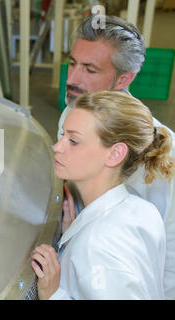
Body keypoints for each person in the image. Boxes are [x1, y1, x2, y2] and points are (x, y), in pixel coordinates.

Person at [57, 14, 175, 299]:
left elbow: (168, 250)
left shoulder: (158, 151)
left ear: (124, 78)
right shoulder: (74, 112)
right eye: (72, 63)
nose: (72, 79)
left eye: (90, 69)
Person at [31, 91, 174, 299]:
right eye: (63, 135)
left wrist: (52, 294)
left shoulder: (98, 246)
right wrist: (76, 232)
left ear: (115, 154)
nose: (57, 146)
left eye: (73, 141)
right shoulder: (143, 210)